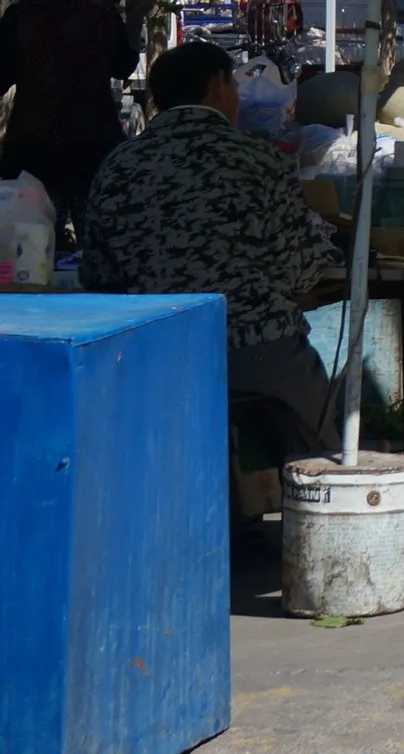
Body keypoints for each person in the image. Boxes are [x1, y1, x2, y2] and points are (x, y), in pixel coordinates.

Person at [81, 42, 343, 458]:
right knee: (320, 447)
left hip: (151, 349)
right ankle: (317, 507)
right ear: (217, 86)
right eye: (234, 87)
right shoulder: (258, 160)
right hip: (255, 345)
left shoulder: (119, 165)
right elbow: (299, 267)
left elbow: (96, 273)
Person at [0, 0, 150, 247]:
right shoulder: (104, 19)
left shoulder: (19, 19)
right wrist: (135, 20)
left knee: (33, 251)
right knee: (93, 253)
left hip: (32, 157)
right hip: (93, 154)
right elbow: (124, 68)